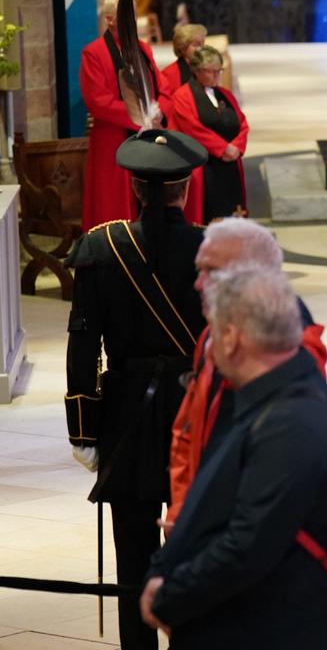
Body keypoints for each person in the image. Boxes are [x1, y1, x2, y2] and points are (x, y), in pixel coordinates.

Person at [141, 269, 327, 648]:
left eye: (214, 329)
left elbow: (249, 544)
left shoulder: (291, 421)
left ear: (232, 336)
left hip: (271, 629)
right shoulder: (263, 399)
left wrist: (171, 596)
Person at [64, 128, 208, 650]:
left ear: (136, 190)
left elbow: (83, 342)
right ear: (185, 188)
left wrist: (83, 428)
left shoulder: (101, 248)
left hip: (127, 413)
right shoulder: (212, 248)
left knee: (133, 548)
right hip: (198, 411)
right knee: (195, 541)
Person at [166, 218, 327, 529]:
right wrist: (182, 511)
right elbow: (187, 432)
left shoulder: (293, 352)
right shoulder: (214, 336)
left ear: (254, 275)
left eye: (210, 271)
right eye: (199, 270)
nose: (198, 283)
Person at [80, 0, 172, 229]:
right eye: (125, 14)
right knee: (115, 211)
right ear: (110, 19)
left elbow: (162, 86)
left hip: (148, 133)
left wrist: (158, 109)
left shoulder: (143, 48)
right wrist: (140, 117)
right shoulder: (94, 53)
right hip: (113, 139)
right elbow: (98, 101)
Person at [170, 46, 249, 222]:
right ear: (196, 71)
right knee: (209, 216)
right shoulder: (182, 96)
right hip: (204, 167)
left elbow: (242, 123)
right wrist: (222, 149)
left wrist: (237, 146)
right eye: (211, 71)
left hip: (230, 165)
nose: (217, 76)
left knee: (233, 214)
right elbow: (193, 129)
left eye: (219, 71)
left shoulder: (226, 95)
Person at [161, 23, 207, 88]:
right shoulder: (169, 74)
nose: (202, 48)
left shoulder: (206, 69)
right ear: (183, 48)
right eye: (196, 45)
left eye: (203, 44)